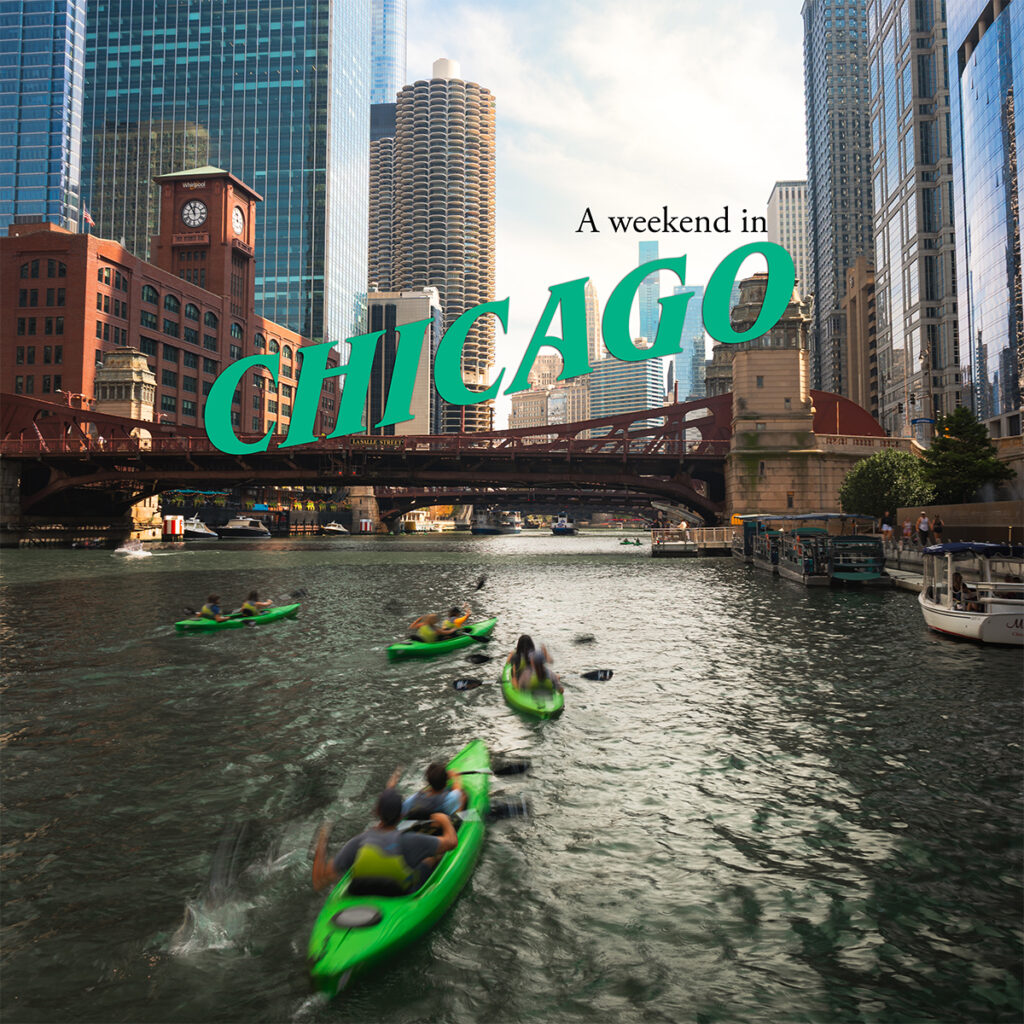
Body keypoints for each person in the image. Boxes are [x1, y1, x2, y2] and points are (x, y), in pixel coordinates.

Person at [311, 788, 457, 895]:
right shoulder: (412, 840)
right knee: (432, 856)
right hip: (401, 891)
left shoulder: (357, 842)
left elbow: (319, 882)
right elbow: (451, 843)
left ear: (376, 812)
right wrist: (444, 821)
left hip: (362, 890)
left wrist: (321, 843)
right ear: (401, 816)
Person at [402, 763, 466, 819]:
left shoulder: (414, 798)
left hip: (426, 821)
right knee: (462, 796)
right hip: (443, 823)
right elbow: (457, 789)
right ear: (445, 782)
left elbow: (403, 811)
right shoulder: (451, 797)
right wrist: (455, 777)